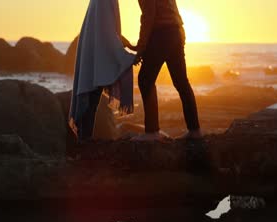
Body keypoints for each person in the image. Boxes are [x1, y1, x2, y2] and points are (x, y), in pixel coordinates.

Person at [134, 0, 202, 141]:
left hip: (161, 33)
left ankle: (152, 132)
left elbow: (149, 14)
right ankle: (195, 130)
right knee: (181, 82)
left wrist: (141, 47)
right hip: (176, 31)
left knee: (145, 80)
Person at [70, 0, 136, 141]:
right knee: (90, 104)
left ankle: (84, 145)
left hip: (94, 57)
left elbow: (106, 29)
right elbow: (108, 34)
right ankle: (84, 146)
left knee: (90, 103)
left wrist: (124, 43)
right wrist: (127, 58)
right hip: (96, 60)